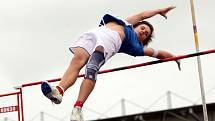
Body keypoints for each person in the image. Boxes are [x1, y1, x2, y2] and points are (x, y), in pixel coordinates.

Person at [41, 5, 181, 121]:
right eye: (143, 28)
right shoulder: (127, 23)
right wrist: (158, 11)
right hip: (95, 33)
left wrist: (174, 57)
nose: (144, 31)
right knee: (77, 62)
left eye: (146, 34)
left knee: (91, 69)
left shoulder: (137, 47)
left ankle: (78, 108)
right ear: (137, 26)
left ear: (144, 40)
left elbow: (158, 53)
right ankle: (59, 91)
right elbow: (142, 14)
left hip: (111, 41)